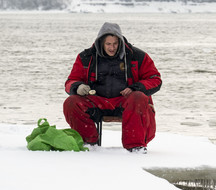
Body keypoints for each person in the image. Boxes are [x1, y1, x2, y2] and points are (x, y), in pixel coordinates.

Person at [63, 22, 162, 154]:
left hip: (125, 102)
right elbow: (71, 81)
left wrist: (135, 88)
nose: (112, 48)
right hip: (96, 101)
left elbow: (155, 79)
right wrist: (78, 87)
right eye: (108, 44)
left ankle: (135, 147)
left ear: (120, 41)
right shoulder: (85, 57)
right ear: (101, 43)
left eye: (115, 43)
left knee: (139, 97)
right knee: (71, 102)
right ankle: (89, 143)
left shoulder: (138, 56)